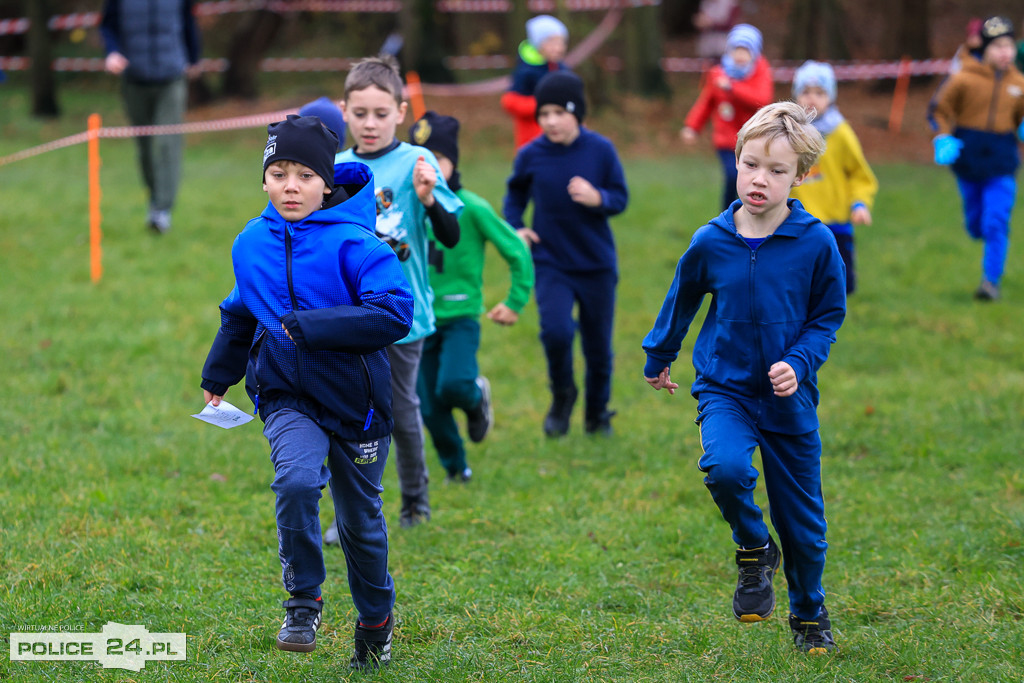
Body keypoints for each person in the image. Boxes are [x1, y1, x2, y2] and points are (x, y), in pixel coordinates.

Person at [199, 115, 414, 670]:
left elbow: (394, 313)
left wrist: (314, 326)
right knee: (295, 481)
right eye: (278, 173)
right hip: (287, 391)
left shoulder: (357, 243)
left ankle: (375, 622)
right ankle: (303, 601)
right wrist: (219, 376)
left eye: (303, 175)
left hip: (357, 399)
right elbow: (241, 308)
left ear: (326, 183)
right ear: (264, 181)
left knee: (360, 526)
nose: (290, 186)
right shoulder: (251, 243)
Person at [643, 102, 846, 655]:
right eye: (751, 164)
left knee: (803, 523)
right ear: (735, 161)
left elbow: (828, 316)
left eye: (777, 171)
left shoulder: (816, 243)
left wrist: (799, 363)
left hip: (788, 399)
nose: (761, 179)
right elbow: (682, 298)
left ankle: (809, 613)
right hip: (725, 386)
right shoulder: (711, 240)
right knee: (725, 469)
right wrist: (659, 355)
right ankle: (754, 548)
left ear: (800, 176)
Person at [336, 55, 463, 528]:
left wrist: (429, 198)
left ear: (401, 112)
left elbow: (449, 237)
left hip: (402, 315)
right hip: (347, 316)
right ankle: (350, 512)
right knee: (346, 413)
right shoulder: (332, 168)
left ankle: (415, 500)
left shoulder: (418, 161)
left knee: (400, 409)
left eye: (381, 114)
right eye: (361, 113)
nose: (370, 124)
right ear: (343, 110)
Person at [409, 111, 535, 482]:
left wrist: (514, 301)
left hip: (460, 316)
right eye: (419, 159)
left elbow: (516, 251)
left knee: (453, 385)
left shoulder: (473, 207)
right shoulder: (405, 209)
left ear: (453, 162)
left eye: (438, 160)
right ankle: (456, 468)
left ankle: (476, 397)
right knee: (429, 406)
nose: (428, 168)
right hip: (417, 320)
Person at [504, 71, 629, 438]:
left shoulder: (601, 150)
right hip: (550, 261)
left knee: (598, 348)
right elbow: (515, 196)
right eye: (544, 114)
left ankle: (597, 412)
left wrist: (599, 198)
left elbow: (620, 197)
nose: (551, 121)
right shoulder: (531, 155)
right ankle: (562, 396)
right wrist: (515, 225)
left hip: (596, 264)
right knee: (555, 331)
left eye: (559, 112)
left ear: (578, 112)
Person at [931, 15, 1024, 301]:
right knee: (977, 225)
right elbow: (938, 110)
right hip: (968, 163)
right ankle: (981, 229)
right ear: (984, 48)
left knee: (997, 221)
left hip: (1002, 164)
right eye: (997, 45)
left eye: (1008, 44)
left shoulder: (1020, 83)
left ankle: (990, 282)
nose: (1004, 51)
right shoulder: (963, 78)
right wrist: (943, 136)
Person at [100, 0, 201, 234]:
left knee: (167, 143)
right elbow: (107, 26)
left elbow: (188, 22)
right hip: (134, 79)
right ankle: (155, 200)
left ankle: (162, 209)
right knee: (145, 147)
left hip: (171, 77)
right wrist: (112, 52)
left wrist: (194, 59)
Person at [789, 60, 877, 295]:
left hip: (837, 224)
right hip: (799, 223)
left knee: (843, 287)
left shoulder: (841, 133)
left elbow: (860, 174)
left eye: (819, 92)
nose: (812, 98)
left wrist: (860, 203)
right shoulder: (788, 134)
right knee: (801, 286)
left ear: (831, 96)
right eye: (805, 92)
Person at [680, 23, 773, 212]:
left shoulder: (760, 71)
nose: (740, 55)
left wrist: (732, 88)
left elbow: (762, 99)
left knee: (752, 179)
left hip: (753, 139)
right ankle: (727, 215)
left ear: (754, 53)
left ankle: (752, 212)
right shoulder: (717, 74)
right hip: (726, 139)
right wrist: (692, 127)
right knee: (733, 175)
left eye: (745, 50)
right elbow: (706, 103)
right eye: (736, 50)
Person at [500, 14, 570, 150]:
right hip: (532, 136)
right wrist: (544, 105)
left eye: (562, 42)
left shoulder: (562, 68)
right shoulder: (526, 71)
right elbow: (510, 102)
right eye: (552, 42)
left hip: (561, 136)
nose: (559, 48)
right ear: (539, 44)